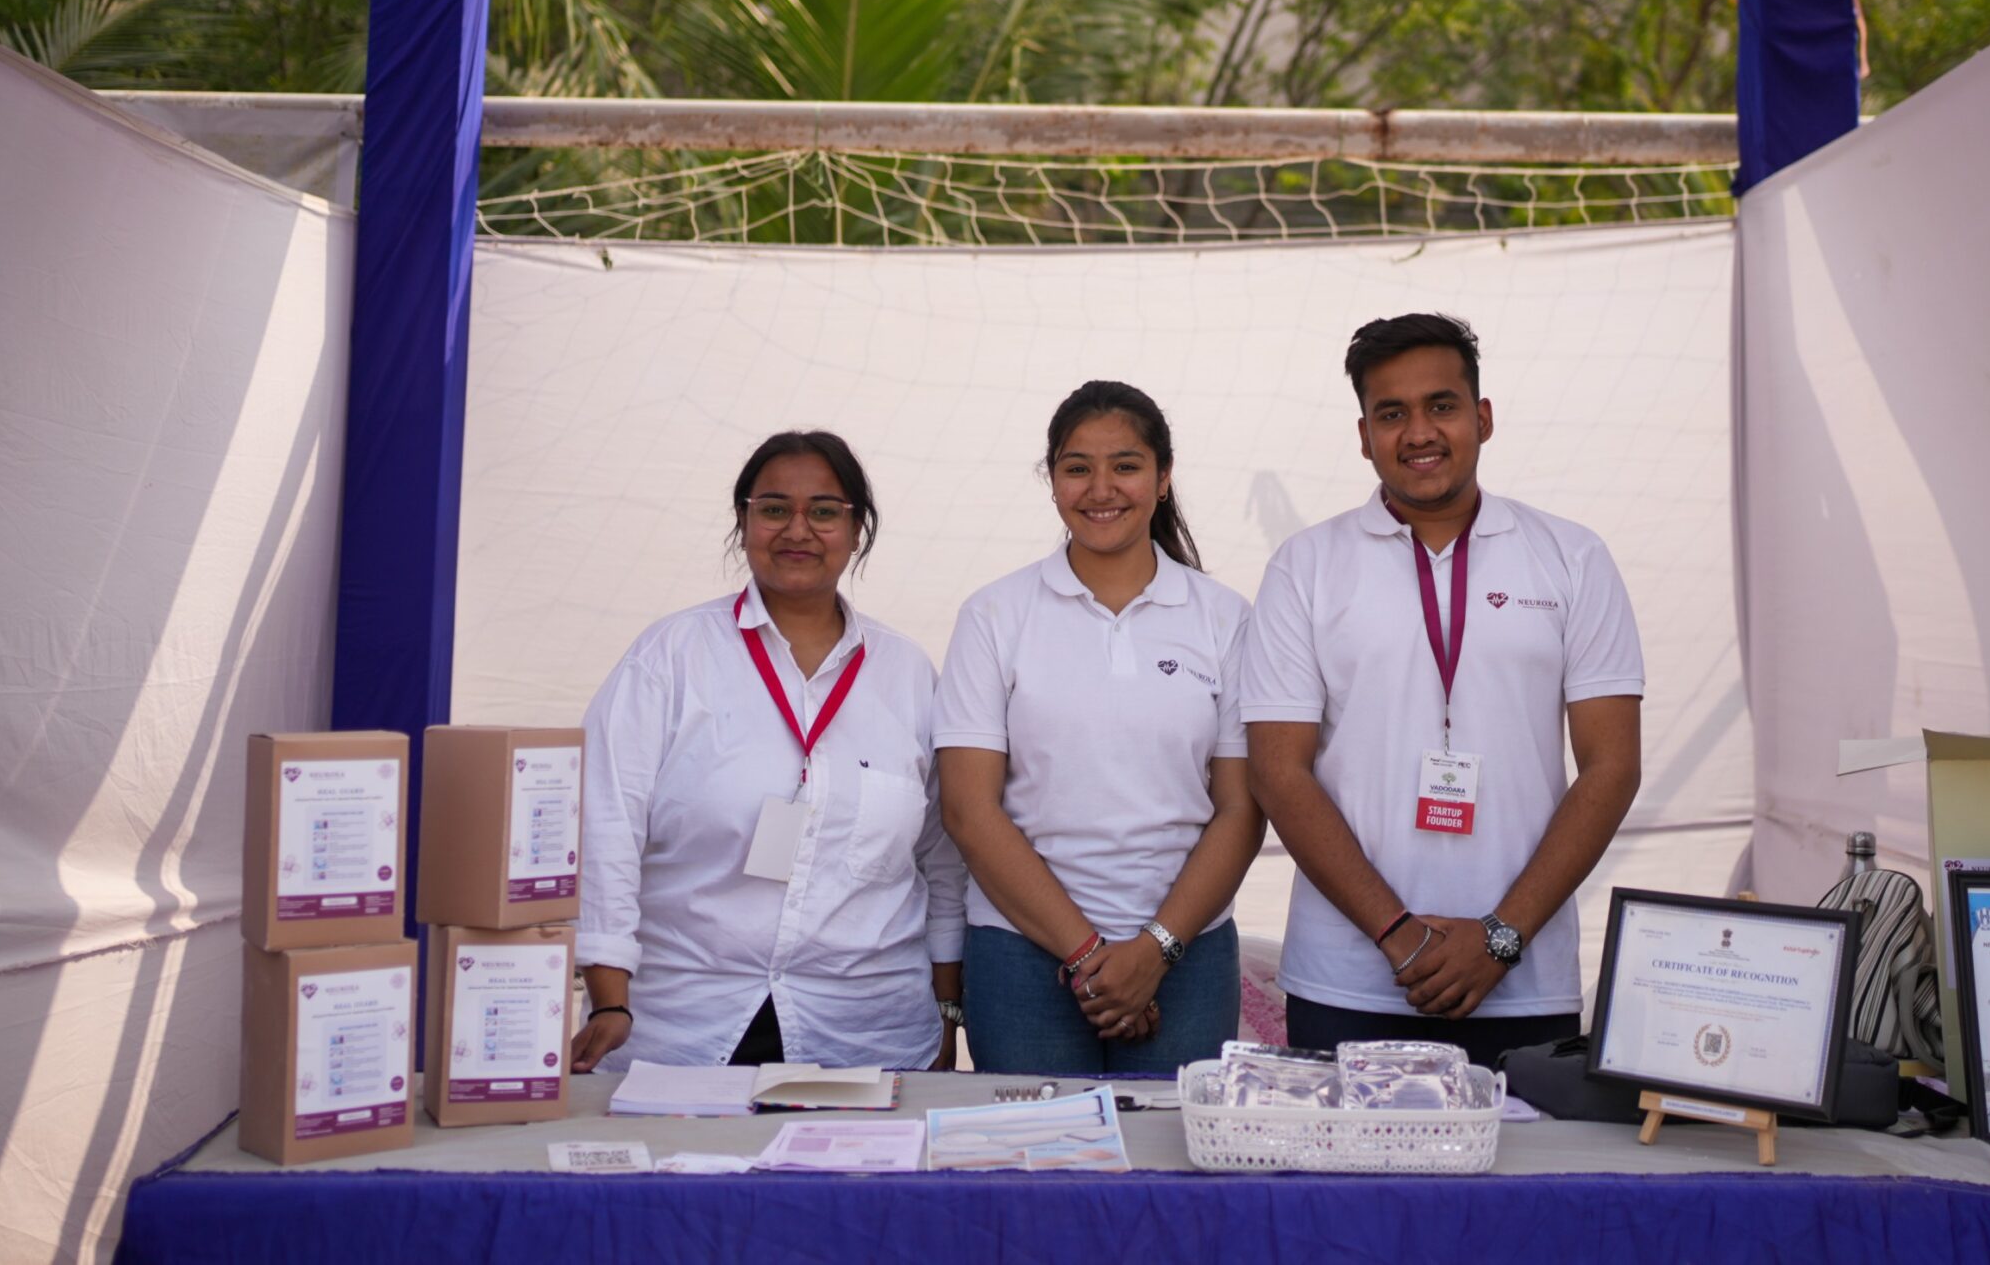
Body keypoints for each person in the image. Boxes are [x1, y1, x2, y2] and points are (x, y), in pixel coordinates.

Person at [1238, 313, 1644, 1068]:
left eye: (1442, 406)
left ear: (1482, 418)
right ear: (1365, 436)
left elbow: (1612, 765)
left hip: (1523, 979)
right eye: (1392, 413)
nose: (1419, 432)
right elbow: (1276, 771)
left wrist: (1501, 936)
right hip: (1349, 977)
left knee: (1523, 1153)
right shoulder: (1306, 566)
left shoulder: (1572, 558)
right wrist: (1397, 933)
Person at [570, 430, 965, 1073]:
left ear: (857, 529)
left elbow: (942, 859)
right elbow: (605, 826)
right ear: (744, 520)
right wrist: (610, 996)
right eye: (775, 508)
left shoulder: (908, 674)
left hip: (868, 1033)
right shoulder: (669, 657)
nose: (798, 530)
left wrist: (947, 1009)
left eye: (824, 511)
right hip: (682, 1025)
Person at [936, 381, 1264, 1073]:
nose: (1101, 488)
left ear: (1164, 477)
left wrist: (1155, 950)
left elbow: (1241, 808)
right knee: (1038, 1145)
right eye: (1077, 467)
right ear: (1052, 480)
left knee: (1171, 1144)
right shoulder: (994, 615)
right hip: (1022, 952)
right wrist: (1089, 955)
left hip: (1187, 953)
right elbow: (968, 809)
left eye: (1126, 465)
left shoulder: (1225, 618)